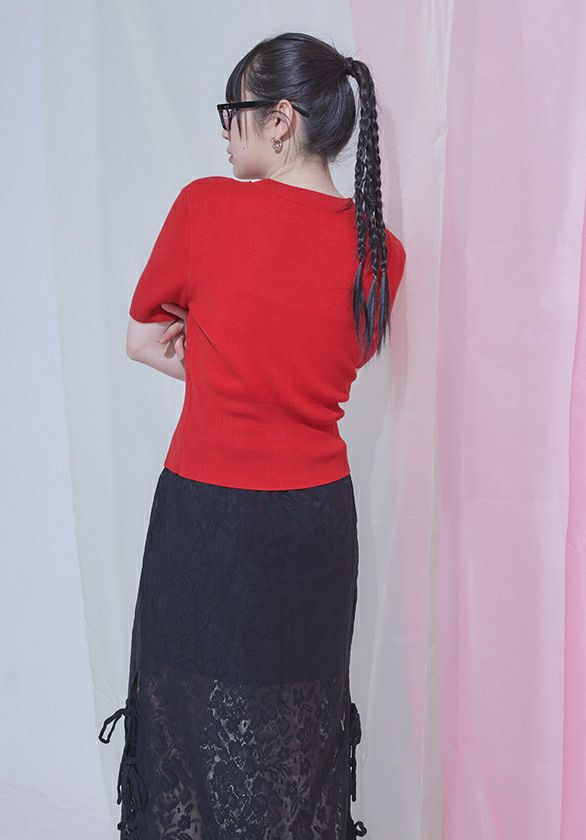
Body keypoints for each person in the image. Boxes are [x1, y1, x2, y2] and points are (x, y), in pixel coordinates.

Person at [97, 31, 406, 839]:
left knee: (186, 723)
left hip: (206, 516)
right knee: (295, 732)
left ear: (280, 119)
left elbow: (142, 338)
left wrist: (215, 354)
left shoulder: (205, 208)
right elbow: (321, 371)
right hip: (313, 524)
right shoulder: (381, 253)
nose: (225, 131)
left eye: (233, 111)